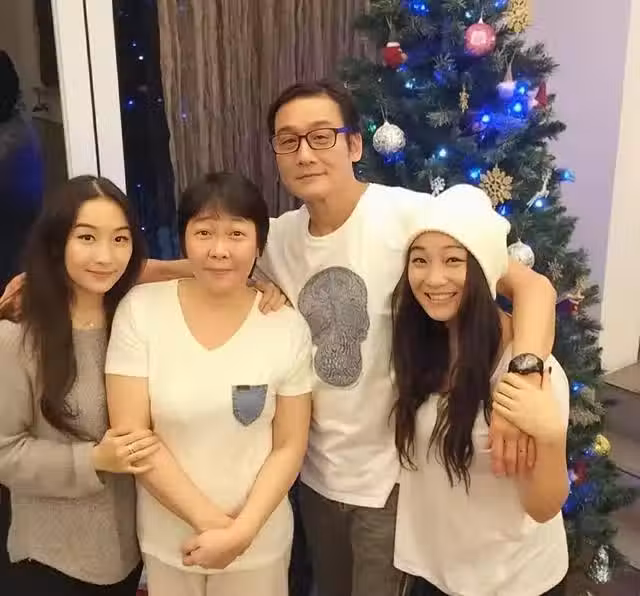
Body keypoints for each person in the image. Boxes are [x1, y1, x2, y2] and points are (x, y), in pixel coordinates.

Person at [256, 80, 558, 596]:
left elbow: (531, 286)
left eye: (322, 136)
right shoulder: (276, 238)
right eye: (288, 141)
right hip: (315, 476)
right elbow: (205, 262)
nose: (305, 153)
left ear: (354, 144)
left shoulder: (411, 216)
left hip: (392, 482)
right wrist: (255, 283)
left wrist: (524, 380)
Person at [104, 172, 313, 596]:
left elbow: (289, 445)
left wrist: (242, 534)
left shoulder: (286, 326)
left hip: (260, 546)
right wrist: (217, 528)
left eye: (237, 234)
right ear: (184, 239)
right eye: (204, 232)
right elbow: (133, 436)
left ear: (259, 244)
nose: (220, 250)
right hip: (171, 543)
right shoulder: (141, 311)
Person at [392, 185, 569, 596]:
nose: (434, 278)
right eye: (420, 260)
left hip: (513, 582)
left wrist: (550, 436)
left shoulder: (527, 372)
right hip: (434, 573)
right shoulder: (419, 345)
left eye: (454, 260)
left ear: (486, 270)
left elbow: (543, 507)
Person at [0, 175, 155, 595]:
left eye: (120, 239)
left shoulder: (134, 325)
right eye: (87, 237)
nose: (105, 256)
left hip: (128, 555)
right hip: (49, 559)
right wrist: (93, 460)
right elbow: (5, 452)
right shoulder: (17, 337)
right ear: (57, 242)